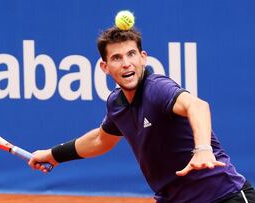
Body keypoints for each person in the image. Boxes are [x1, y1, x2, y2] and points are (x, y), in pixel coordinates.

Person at [28, 26, 255, 202]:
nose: (126, 64)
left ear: (143, 57)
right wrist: (53, 155)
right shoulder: (116, 104)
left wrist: (203, 150)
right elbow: (100, 140)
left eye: (131, 54)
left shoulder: (156, 88)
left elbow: (197, 106)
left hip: (223, 196)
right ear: (104, 67)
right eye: (116, 58)